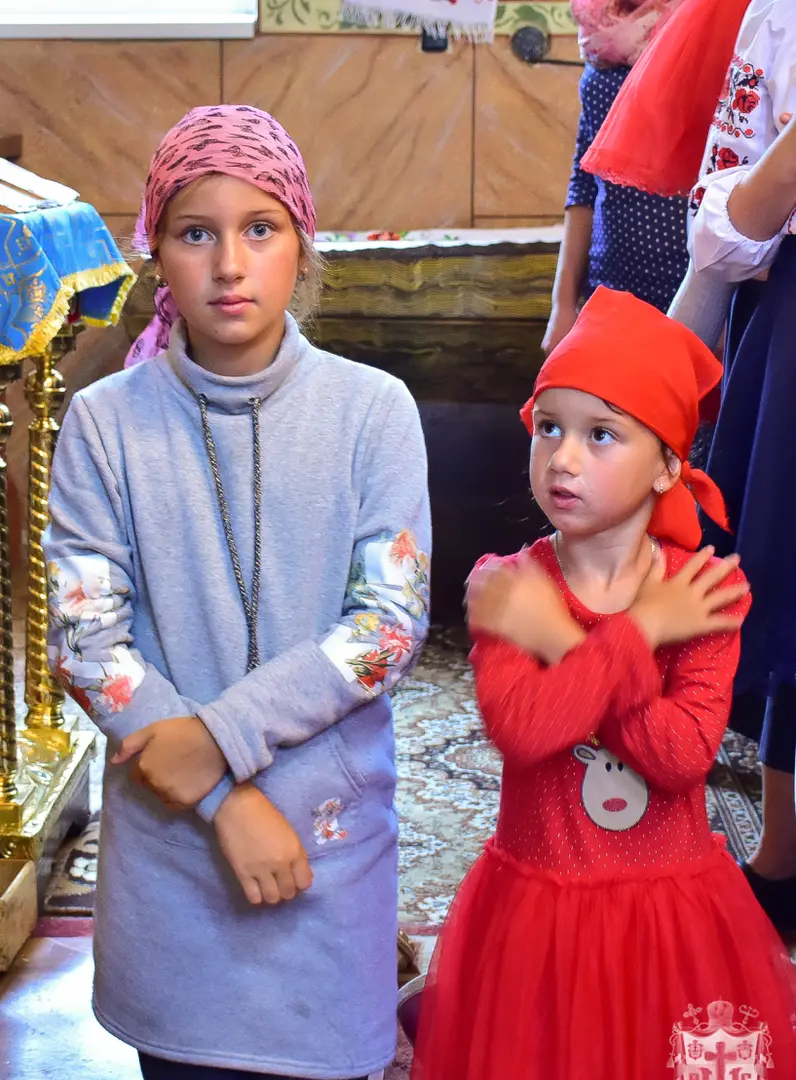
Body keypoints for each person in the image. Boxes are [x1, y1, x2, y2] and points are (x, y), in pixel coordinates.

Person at [44, 104, 431, 1080]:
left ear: (303, 245)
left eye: (260, 228)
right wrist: (224, 799)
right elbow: (88, 642)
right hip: (174, 870)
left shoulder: (373, 412)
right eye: (195, 233)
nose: (229, 264)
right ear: (156, 255)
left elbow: (384, 629)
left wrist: (217, 738)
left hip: (327, 858)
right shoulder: (103, 424)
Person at [410, 287, 796, 1080]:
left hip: (669, 916)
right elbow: (525, 730)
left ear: (667, 466)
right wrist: (639, 634)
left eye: (601, 434)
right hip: (534, 912)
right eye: (548, 427)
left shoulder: (705, 592)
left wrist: (565, 640)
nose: (564, 457)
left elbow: (681, 757)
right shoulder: (508, 585)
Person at [542, 0, 689, 354]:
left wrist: (724, 300)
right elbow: (585, 178)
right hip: (609, 281)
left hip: (690, 282)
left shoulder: (700, 22)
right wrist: (562, 304)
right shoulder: (597, 25)